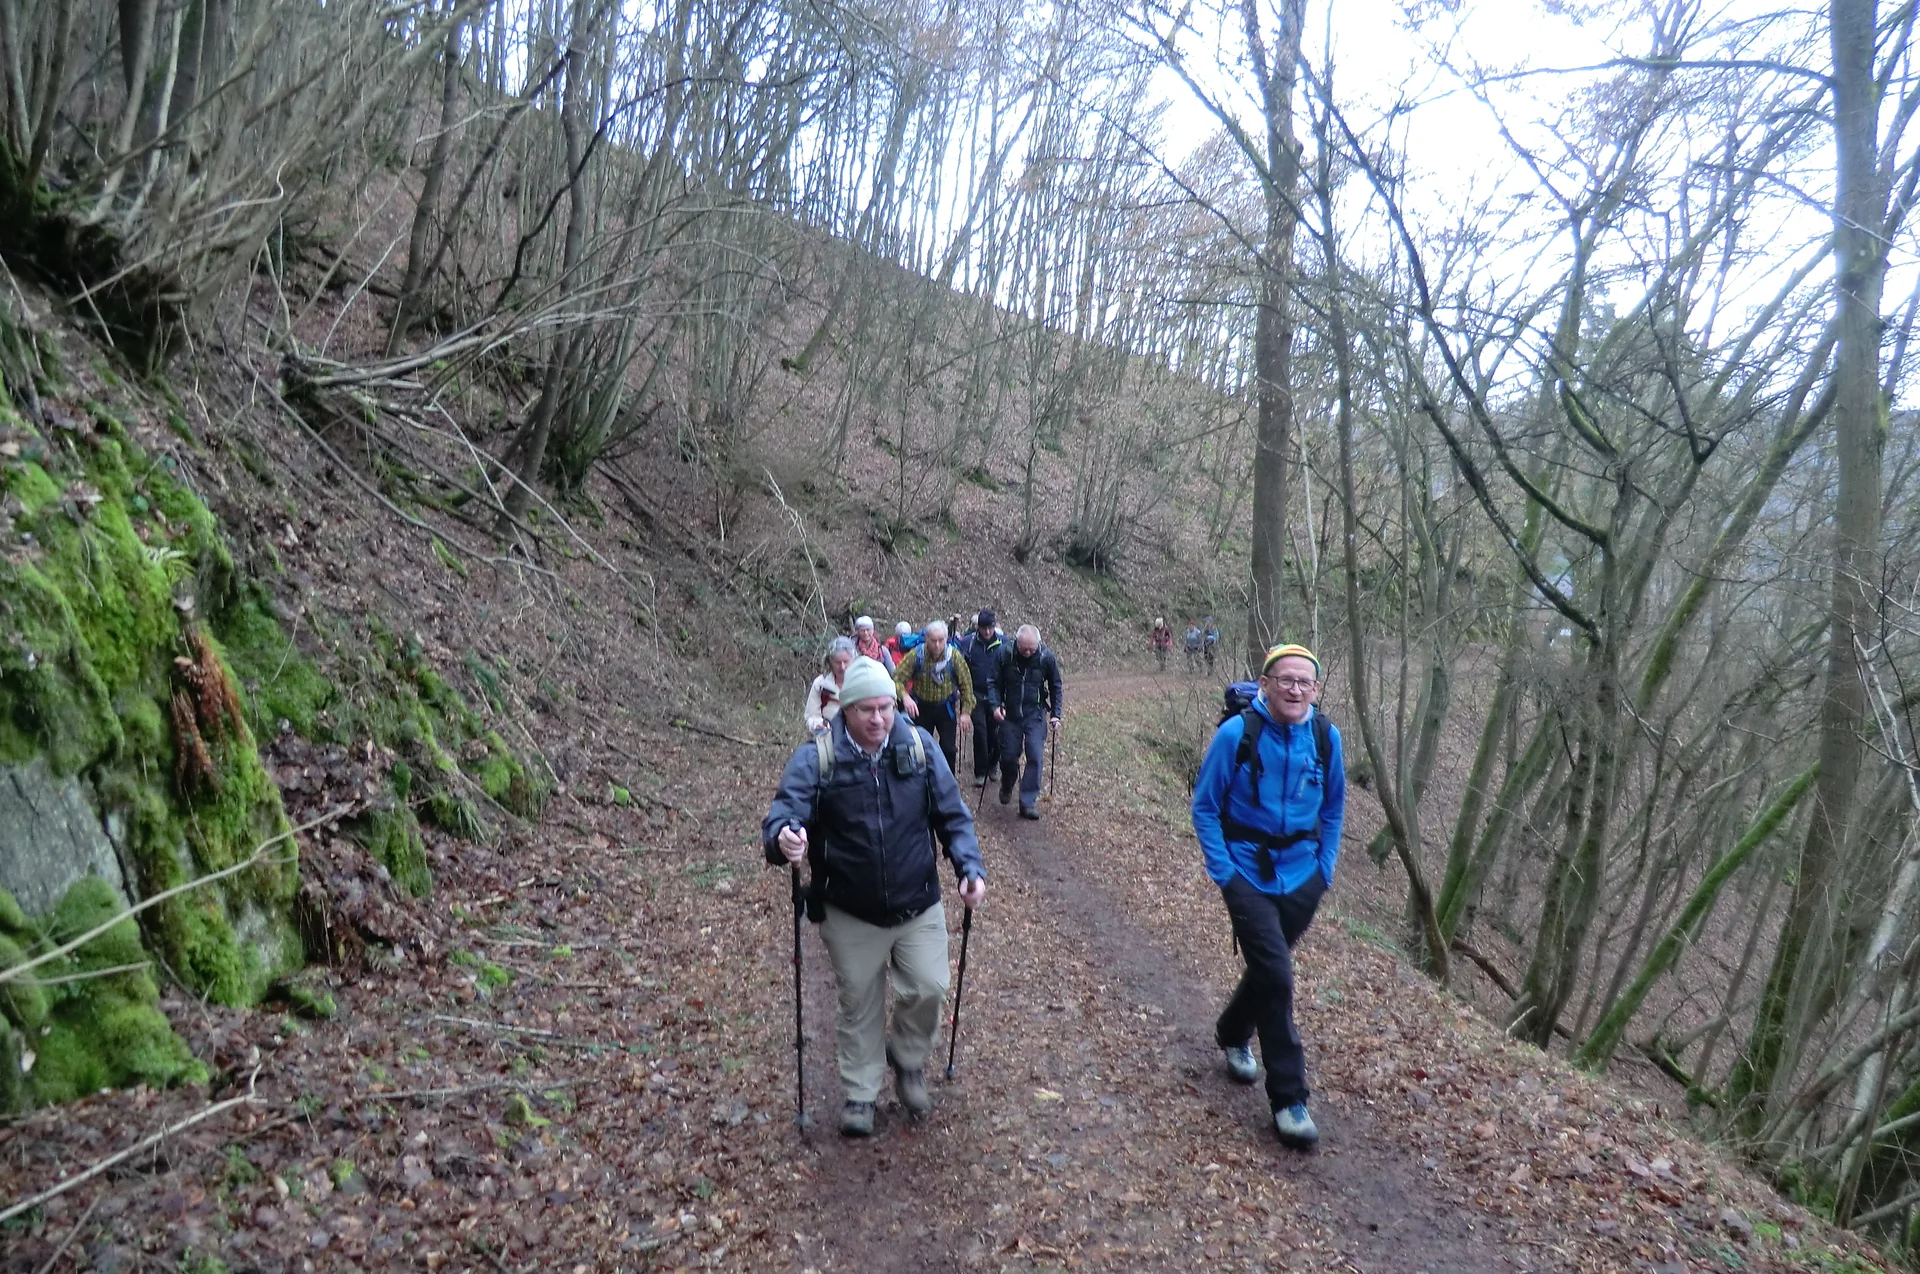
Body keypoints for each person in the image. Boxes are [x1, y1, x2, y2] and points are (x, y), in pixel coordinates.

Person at [763, 658, 987, 1137]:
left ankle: (907, 1057)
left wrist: (970, 868)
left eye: (886, 707)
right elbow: (783, 815)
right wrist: (785, 838)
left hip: (917, 900)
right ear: (846, 709)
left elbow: (953, 816)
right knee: (859, 1000)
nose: (879, 718)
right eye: (867, 709)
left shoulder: (919, 747)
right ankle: (861, 1093)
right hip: (849, 907)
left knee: (929, 987)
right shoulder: (818, 759)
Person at [1190, 643, 1344, 1150]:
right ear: (1266, 684)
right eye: (1286, 680)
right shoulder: (1236, 734)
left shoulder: (1325, 737)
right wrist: (1225, 874)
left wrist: (1324, 869)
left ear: (1315, 690)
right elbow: (1205, 807)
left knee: (1267, 970)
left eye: (1305, 682)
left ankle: (1234, 1031)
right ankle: (1289, 1099)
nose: (1295, 690)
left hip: (1303, 876)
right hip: (1248, 875)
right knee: (1277, 975)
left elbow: (1334, 809)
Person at [992, 625, 1063, 821]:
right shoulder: (1004, 654)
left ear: (1038, 644)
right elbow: (993, 683)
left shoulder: (1046, 657)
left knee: (1035, 756)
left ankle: (1027, 802)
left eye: (1032, 648)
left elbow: (1056, 685)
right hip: (1010, 714)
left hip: (1035, 714)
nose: (1028, 652)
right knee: (1008, 757)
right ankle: (1007, 783)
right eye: (1024, 648)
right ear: (1017, 643)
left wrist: (1056, 714)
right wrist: (995, 706)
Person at [894, 620, 975, 774]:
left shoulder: (954, 657)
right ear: (926, 639)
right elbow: (896, 679)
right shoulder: (916, 655)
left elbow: (966, 685)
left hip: (946, 708)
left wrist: (966, 712)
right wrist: (905, 697)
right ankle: (922, 779)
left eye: (941, 640)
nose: (937, 645)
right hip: (921, 708)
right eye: (933, 640)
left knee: (949, 749)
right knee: (920, 747)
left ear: (946, 639)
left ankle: (948, 780)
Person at [956, 610, 1006, 783]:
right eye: (984, 628)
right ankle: (981, 771)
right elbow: (961, 667)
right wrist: (961, 690)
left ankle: (993, 764)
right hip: (975, 693)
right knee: (980, 732)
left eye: (990, 628)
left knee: (996, 733)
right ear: (978, 627)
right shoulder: (968, 643)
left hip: (996, 695)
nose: (987, 632)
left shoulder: (1003, 643)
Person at [802, 636, 857, 735]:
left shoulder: (863, 683)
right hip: (828, 736)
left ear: (853, 661)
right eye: (837, 662)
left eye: (846, 662)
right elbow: (811, 716)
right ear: (830, 662)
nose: (842, 667)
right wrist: (818, 725)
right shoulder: (821, 684)